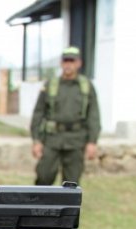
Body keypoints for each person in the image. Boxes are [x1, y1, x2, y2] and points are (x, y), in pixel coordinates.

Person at [30, 46, 101, 187]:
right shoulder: (50, 85)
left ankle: (67, 209)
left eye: (72, 61)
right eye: (65, 61)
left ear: (78, 63)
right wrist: (36, 140)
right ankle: (39, 209)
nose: (68, 64)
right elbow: (38, 113)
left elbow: (93, 115)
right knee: (44, 177)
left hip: (76, 139)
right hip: (52, 138)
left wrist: (92, 142)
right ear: (61, 63)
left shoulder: (86, 86)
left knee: (72, 183)